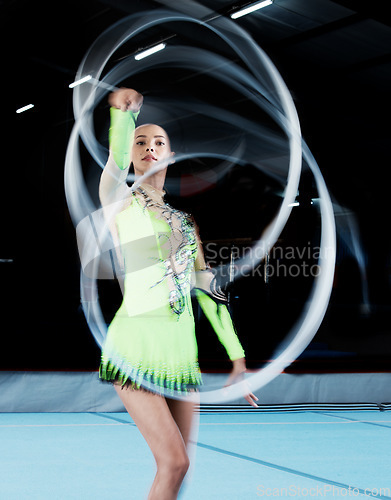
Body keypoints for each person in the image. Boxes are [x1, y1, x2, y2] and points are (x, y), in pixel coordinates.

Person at [98, 87, 258, 500]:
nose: (150, 147)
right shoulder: (120, 203)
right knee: (174, 462)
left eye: (159, 142)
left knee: (179, 469)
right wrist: (124, 115)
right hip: (136, 344)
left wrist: (236, 356)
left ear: (171, 154)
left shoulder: (185, 223)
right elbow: (114, 162)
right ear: (133, 153)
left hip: (181, 351)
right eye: (141, 142)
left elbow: (207, 289)